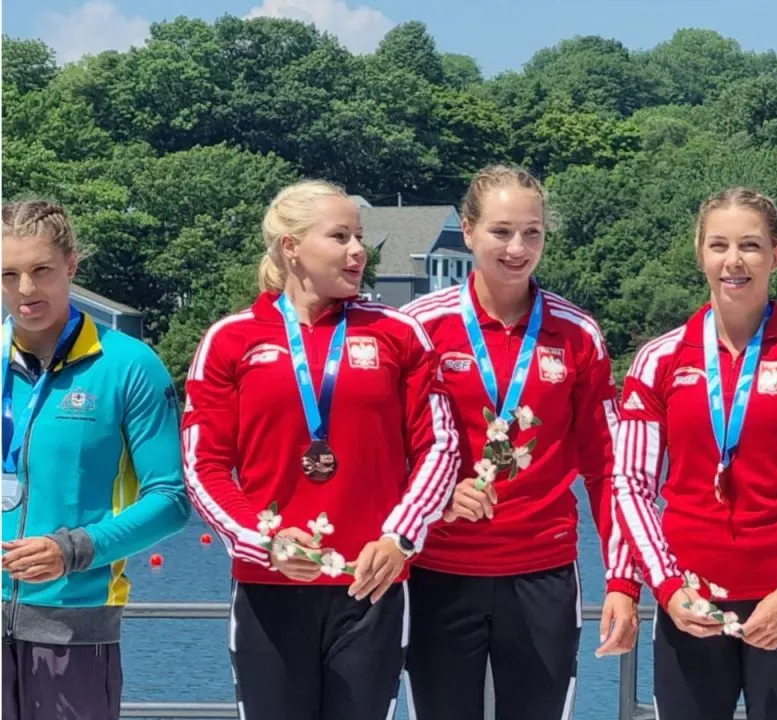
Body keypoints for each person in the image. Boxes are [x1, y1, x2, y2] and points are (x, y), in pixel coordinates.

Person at [182, 180, 461, 720]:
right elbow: (203, 467)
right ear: (291, 247)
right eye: (340, 237)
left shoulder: (398, 334)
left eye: (359, 237)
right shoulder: (230, 339)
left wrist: (399, 536)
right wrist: (260, 540)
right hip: (269, 584)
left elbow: (440, 448)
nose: (358, 250)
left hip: (370, 585)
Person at [611, 186, 777, 720]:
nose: (734, 261)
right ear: (699, 252)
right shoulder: (657, 359)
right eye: (719, 245)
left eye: (751, 246)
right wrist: (662, 586)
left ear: (776, 254)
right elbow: (630, 485)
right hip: (689, 601)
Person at [399, 165, 641, 720]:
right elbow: (387, 453)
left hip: (543, 571)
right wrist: (436, 495)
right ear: (467, 230)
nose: (517, 247)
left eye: (532, 232)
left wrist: (623, 581)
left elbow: (608, 468)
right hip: (439, 567)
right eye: (501, 231)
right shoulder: (417, 328)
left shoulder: (578, 333)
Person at [1, 200, 191, 719]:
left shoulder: (130, 366)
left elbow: (171, 501)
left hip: (74, 630)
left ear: (72, 266)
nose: (25, 290)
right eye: (9, 274)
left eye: (41, 270)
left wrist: (75, 549)